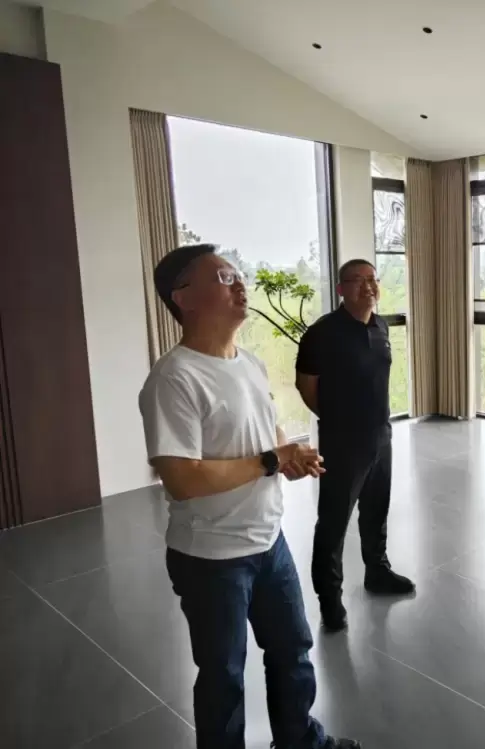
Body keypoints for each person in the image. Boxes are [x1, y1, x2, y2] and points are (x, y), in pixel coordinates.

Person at [138, 244, 360, 749]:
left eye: (238, 274)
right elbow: (182, 479)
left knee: (293, 650)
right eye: (222, 277)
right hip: (211, 557)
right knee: (223, 675)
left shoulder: (251, 364)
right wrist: (271, 461)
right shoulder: (174, 378)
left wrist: (290, 457)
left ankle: (301, 741)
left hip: (268, 541)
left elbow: (268, 436)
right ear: (183, 298)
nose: (240, 284)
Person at [296, 258, 415, 632]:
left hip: (381, 434)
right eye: (358, 280)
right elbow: (306, 386)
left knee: (376, 510)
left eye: (372, 279)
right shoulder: (322, 333)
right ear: (340, 289)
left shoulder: (381, 326)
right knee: (333, 522)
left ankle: (377, 572)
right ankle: (330, 599)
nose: (368, 286)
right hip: (342, 440)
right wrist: (337, 418)